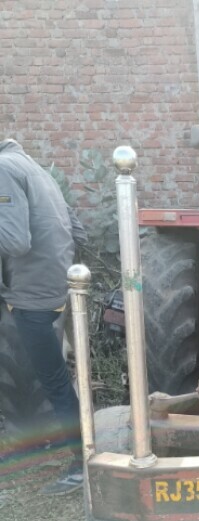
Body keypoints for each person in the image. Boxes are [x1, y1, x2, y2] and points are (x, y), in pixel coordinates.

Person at [0, 137, 87, 494]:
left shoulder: (4, 170)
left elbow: (15, 241)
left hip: (32, 292)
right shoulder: (36, 170)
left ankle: (81, 463)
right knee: (55, 377)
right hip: (56, 284)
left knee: (54, 382)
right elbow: (78, 230)